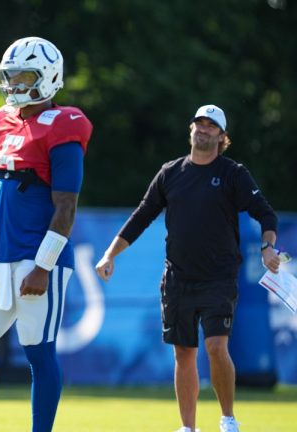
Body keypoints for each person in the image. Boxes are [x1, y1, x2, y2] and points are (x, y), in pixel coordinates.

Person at [94, 105, 282, 432]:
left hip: (219, 278)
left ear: (222, 137)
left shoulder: (233, 174)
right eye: (199, 124)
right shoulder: (170, 173)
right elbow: (141, 216)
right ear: (191, 129)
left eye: (212, 126)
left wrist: (267, 248)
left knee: (216, 345)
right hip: (177, 278)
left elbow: (266, 215)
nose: (203, 129)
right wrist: (110, 254)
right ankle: (188, 427)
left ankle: (227, 419)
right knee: (184, 352)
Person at [0, 37, 93, 432]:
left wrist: (43, 265)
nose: (15, 84)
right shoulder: (4, 120)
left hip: (39, 260)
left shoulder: (66, 124)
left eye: (24, 76)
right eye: (11, 76)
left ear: (48, 78)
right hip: (0, 259)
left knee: (38, 353)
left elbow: (66, 205)